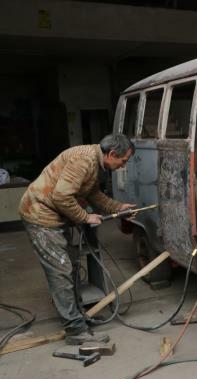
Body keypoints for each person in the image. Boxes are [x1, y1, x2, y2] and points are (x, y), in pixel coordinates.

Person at [19, 134, 136, 345]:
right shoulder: (84, 160)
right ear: (111, 154)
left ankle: (78, 317)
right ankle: (74, 330)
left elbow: (93, 194)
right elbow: (61, 196)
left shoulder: (96, 162)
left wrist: (118, 207)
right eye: (123, 160)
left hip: (54, 215)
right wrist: (85, 217)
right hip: (40, 215)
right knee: (61, 270)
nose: (123, 165)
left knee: (70, 267)